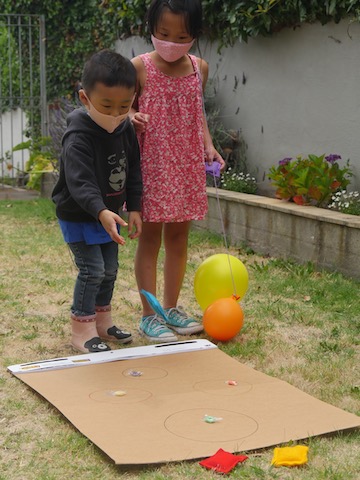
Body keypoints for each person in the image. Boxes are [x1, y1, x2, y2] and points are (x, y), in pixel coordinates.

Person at [131, 0, 225, 342]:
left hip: (185, 165)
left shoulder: (199, 67)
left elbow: (198, 113)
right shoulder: (138, 67)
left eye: (181, 35)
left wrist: (208, 145)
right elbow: (123, 111)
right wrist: (131, 118)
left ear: (195, 35)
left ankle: (170, 308)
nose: (171, 41)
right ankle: (148, 315)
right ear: (151, 30)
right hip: (153, 165)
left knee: (178, 238)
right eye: (163, 33)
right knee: (151, 238)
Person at [52, 49, 142, 353]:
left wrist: (135, 207)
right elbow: (80, 183)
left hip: (110, 214)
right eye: (107, 105)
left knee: (110, 269)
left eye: (124, 106)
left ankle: (102, 322)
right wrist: (101, 210)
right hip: (79, 214)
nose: (116, 114)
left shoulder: (125, 127)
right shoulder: (78, 136)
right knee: (92, 270)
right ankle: (82, 328)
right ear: (84, 98)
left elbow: (133, 170)